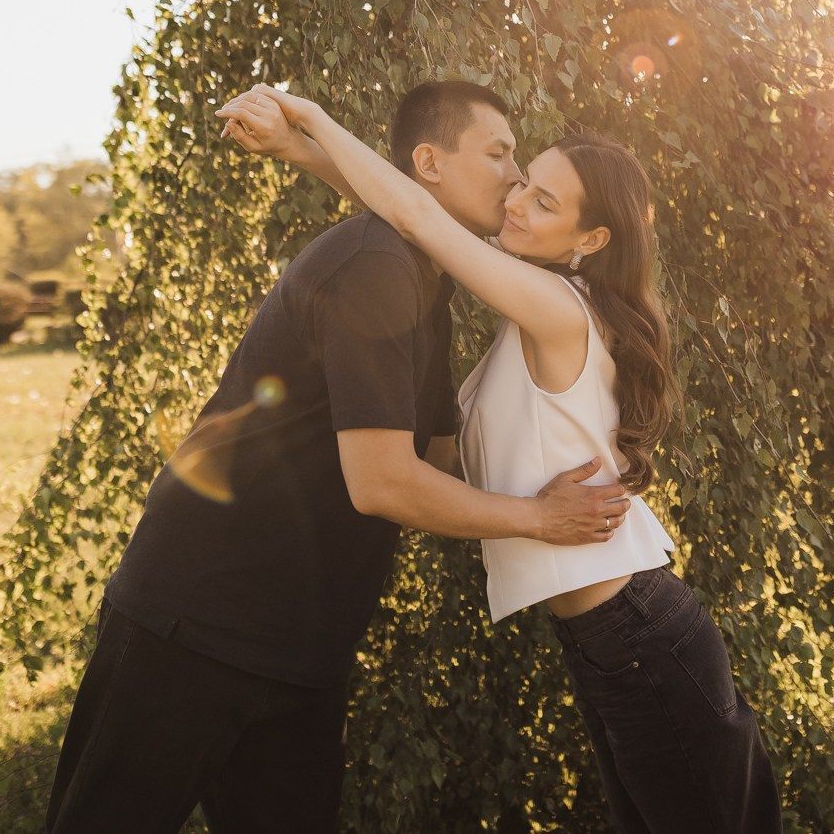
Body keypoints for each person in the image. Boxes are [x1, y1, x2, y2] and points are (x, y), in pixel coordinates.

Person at [45, 81, 634, 834]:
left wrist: (299, 147)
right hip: (195, 620)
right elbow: (384, 481)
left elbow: (443, 455)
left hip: (301, 645)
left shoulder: (424, 273)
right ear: (429, 163)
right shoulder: (374, 268)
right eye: (499, 153)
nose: (516, 177)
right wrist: (539, 519)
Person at [219, 84, 782, 834]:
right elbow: (412, 214)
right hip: (610, 640)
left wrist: (311, 116)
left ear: (590, 239)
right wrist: (298, 153)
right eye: (522, 182)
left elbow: (418, 211)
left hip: (640, 634)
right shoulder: (542, 295)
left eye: (544, 202)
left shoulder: (558, 308)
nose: (516, 202)